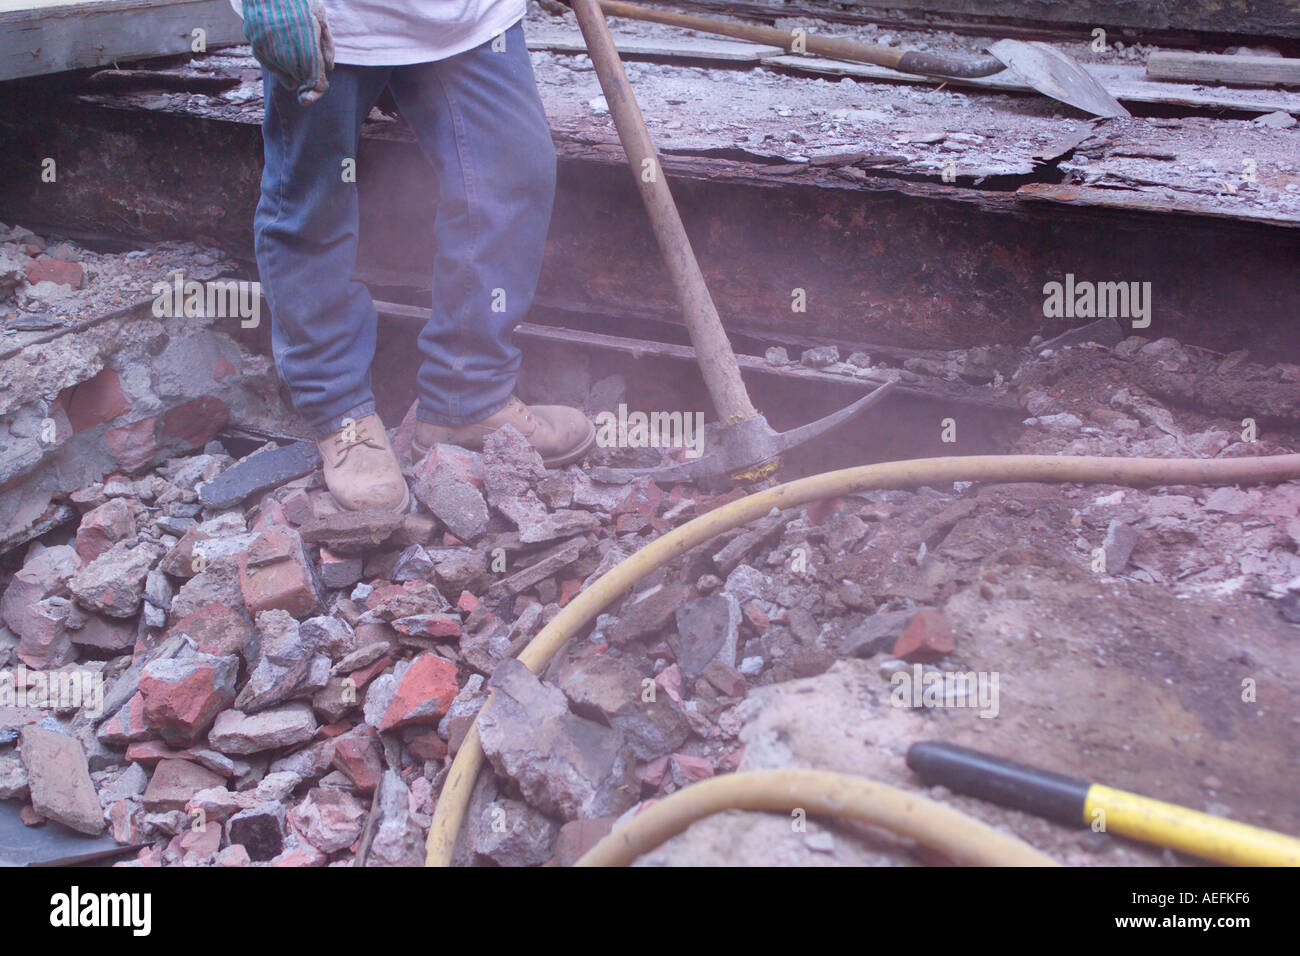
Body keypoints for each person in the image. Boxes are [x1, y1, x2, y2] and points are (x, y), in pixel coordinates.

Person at [233, 0, 595, 512]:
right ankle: (340, 414)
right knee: (313, 204)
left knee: (512, 175)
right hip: (332, 18)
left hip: (467, 15)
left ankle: (467, 397)